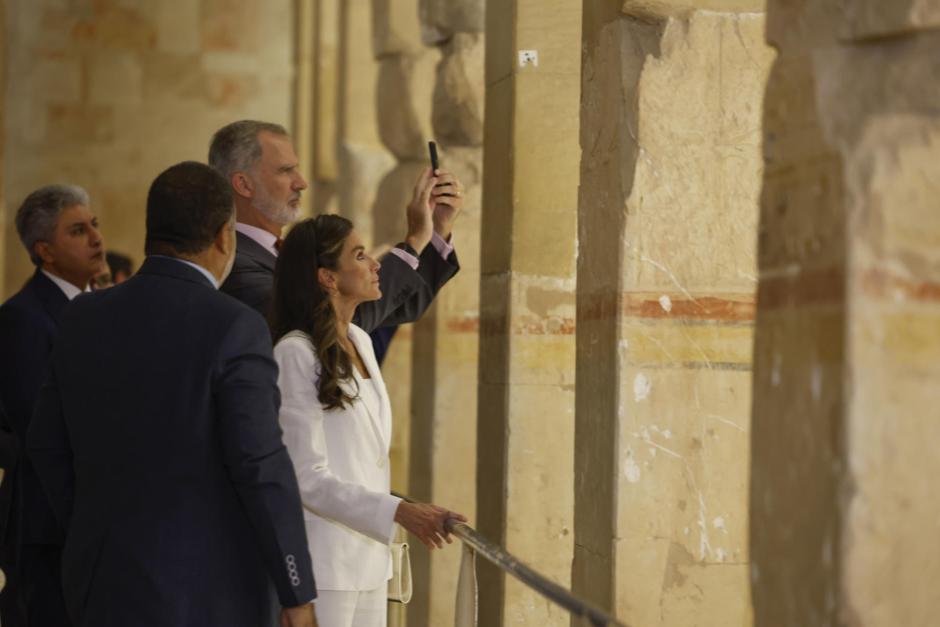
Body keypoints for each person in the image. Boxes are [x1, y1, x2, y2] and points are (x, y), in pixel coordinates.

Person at [26, 162, 318, 627]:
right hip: (207, 593)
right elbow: (260, 464)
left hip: (101, 579)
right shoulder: (234, 325)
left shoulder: (83, 316)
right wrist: (297, 590)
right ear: (225, 236)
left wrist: (96, 527)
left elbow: (45, 444)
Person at [270, 214, 466, 627]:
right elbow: (306, 478)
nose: (376, 263)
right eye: (360, 255)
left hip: (372, 563)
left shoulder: (359, 339)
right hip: (326, 568)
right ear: (327, 277)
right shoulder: (295, 353)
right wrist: (399, 511)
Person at [208, 120, 462, 332]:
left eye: (297, 169)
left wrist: (437, 229)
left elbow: (399, 305)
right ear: (243, 184)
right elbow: (331, 328)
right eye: (285, 171)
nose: (302, 182)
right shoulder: (233, 263)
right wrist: (416, 239)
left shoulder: (286, 249)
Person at [0, 184, 105, 627]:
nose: (97, 238)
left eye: (94, 225)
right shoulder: (23, 317)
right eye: (78, 231)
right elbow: (38, 427)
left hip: (90, 520)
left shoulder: (98, 309)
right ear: (44, 250)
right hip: (46, 524)